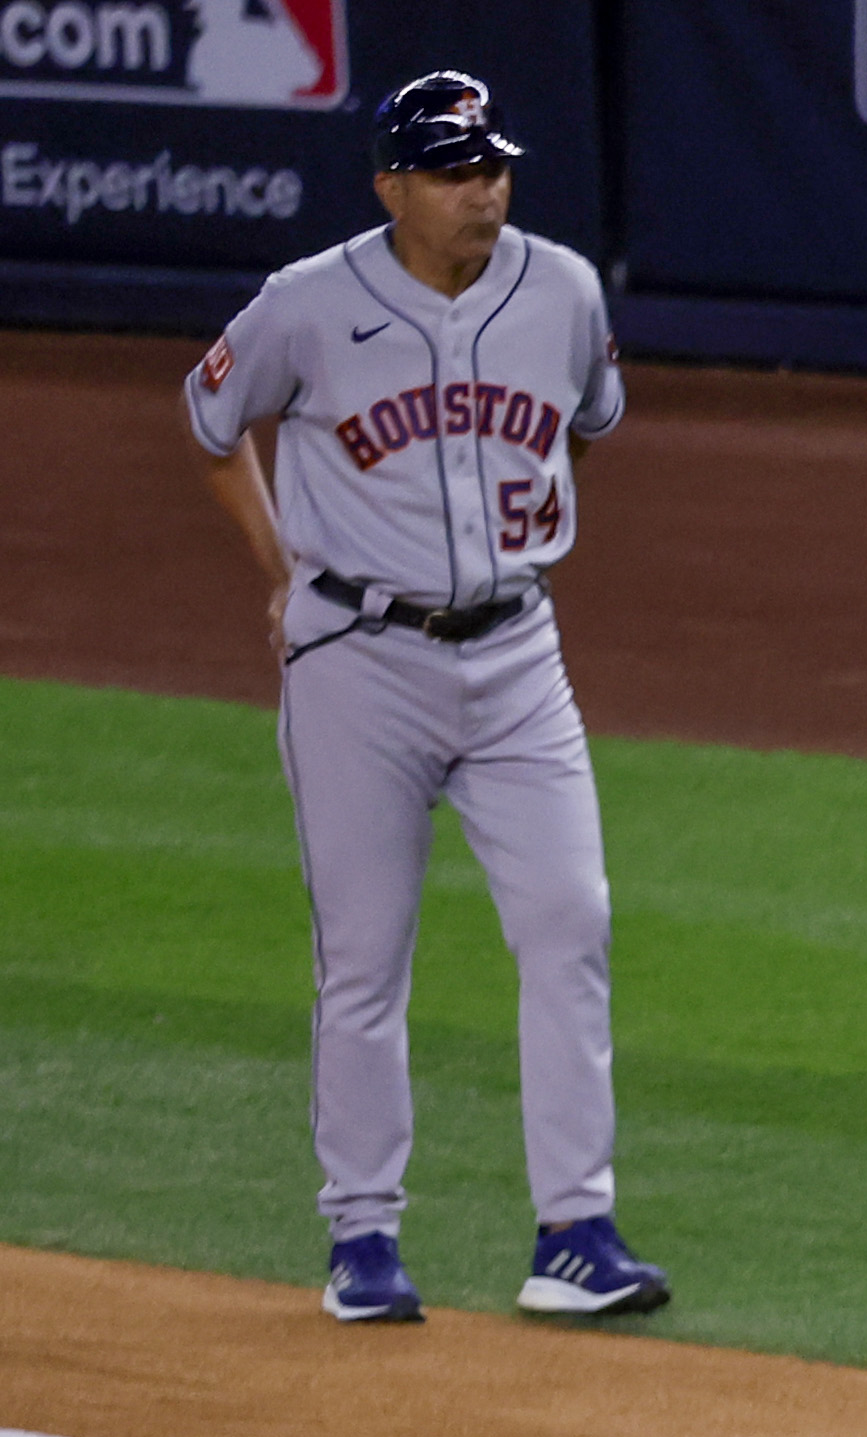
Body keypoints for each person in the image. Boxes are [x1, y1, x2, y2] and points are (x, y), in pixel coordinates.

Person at [186, 72, 673, 1332]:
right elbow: (208, 418)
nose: (484, 192)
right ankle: (363, 1236)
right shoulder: (307, 306)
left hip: (520, 655)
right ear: (391, 186)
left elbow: (595, 415)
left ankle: (576, 1229)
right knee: (364, 956)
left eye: (494, 168)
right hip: (357, 659)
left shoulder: (561, 288)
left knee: (573, 919)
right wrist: (282, 568)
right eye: (455, 173)